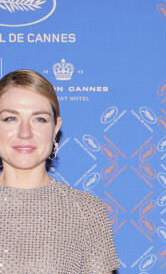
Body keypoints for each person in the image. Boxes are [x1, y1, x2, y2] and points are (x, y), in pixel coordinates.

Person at [0, 69, 120, 273]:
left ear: (56, 127)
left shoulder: (87, 211)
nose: (25, 133)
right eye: (11, 118)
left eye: (39, 119)